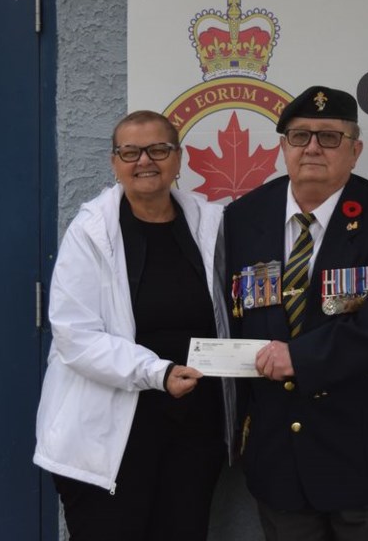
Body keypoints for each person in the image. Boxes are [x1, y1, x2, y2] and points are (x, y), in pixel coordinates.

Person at [224, 85, 368, 541]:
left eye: (329, 137)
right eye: (299, 136)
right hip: (279, 455)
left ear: (356, 151)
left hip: (367, 454)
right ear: (282, 148)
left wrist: (300, 358)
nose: (313, 147)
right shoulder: (241, 219)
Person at [34, 110, 235, 541]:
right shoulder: (90, 232)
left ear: (178, 159)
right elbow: (75, 335)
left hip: (193, 428)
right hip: (111, 431)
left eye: (158, 149)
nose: (145, 160)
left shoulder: (211, 224)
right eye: (130, 152)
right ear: (115, 163)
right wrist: (157, 372)